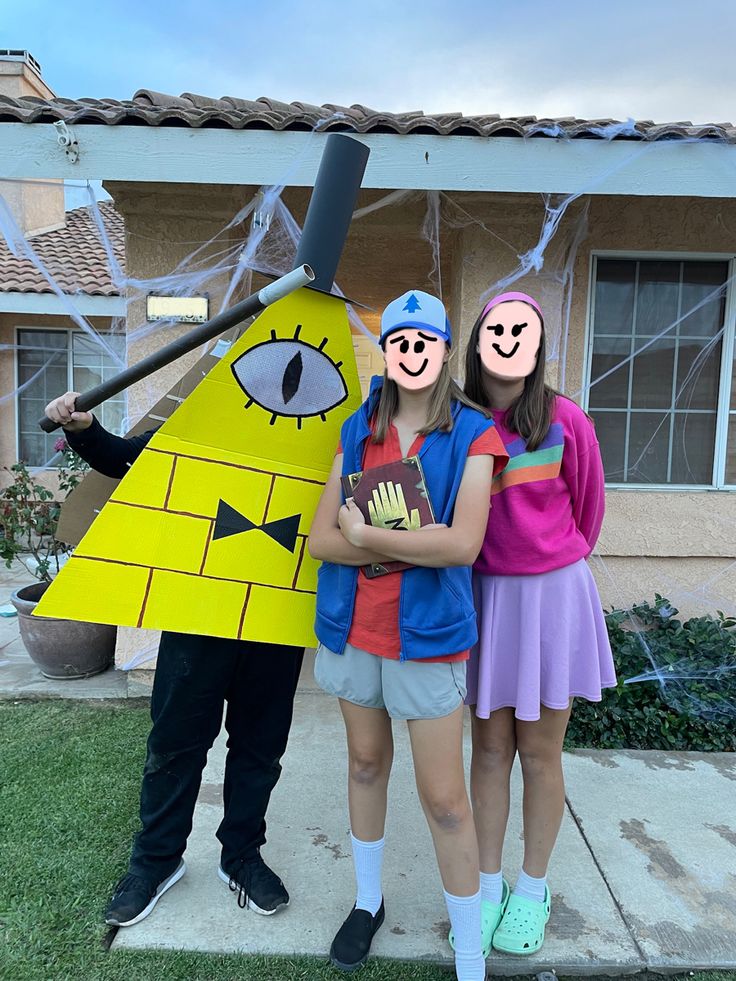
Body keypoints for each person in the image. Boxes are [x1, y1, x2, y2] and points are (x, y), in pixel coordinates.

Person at [308, 290, 509, 981]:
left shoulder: (475, 433)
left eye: (427, 341)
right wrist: (376, 545)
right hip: (355, 628)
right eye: (401, 341)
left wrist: (366, 536)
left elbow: (463, 543)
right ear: (387, 351)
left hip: (427, 636)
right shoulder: (357, 427)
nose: (414, 353)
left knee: (446, 798)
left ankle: (468, 952)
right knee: (365, 764)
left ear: (446, 350)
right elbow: (318, 539)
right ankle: (368, 902)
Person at [44, 393, 304, 926]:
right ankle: (156, 861)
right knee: (176, 742)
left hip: (276, 618)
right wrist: (85, 428)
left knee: (260, 746)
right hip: (198, 612)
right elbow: (125, 458)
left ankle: (242, 856)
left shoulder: (325, 432)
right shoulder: (210, 417)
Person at [457, 291, 616, 956]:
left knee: (541, 753)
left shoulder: (564, 419)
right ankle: (487, 883)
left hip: (553, 601)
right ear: (477, 342)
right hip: (487, 601)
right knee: (490, 751)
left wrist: (548, 565)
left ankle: (532, 887)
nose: (511, 340)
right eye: (499, 329)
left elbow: (590, 508)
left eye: (524, 330)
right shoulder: (458, 423)